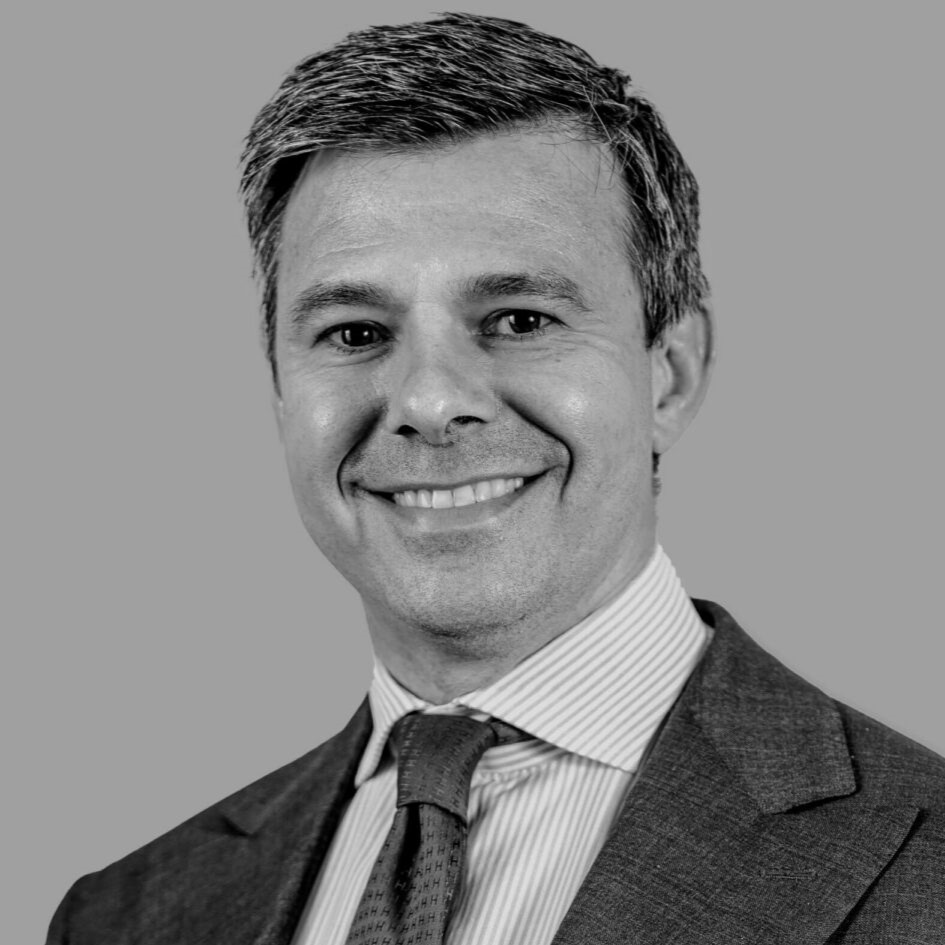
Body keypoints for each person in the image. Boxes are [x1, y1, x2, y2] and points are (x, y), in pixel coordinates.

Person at [47, 12, 944, 944]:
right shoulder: (124, 915)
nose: (430, 402)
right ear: (280, 391)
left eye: (519, 319)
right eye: (355, 332)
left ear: (669, 373)